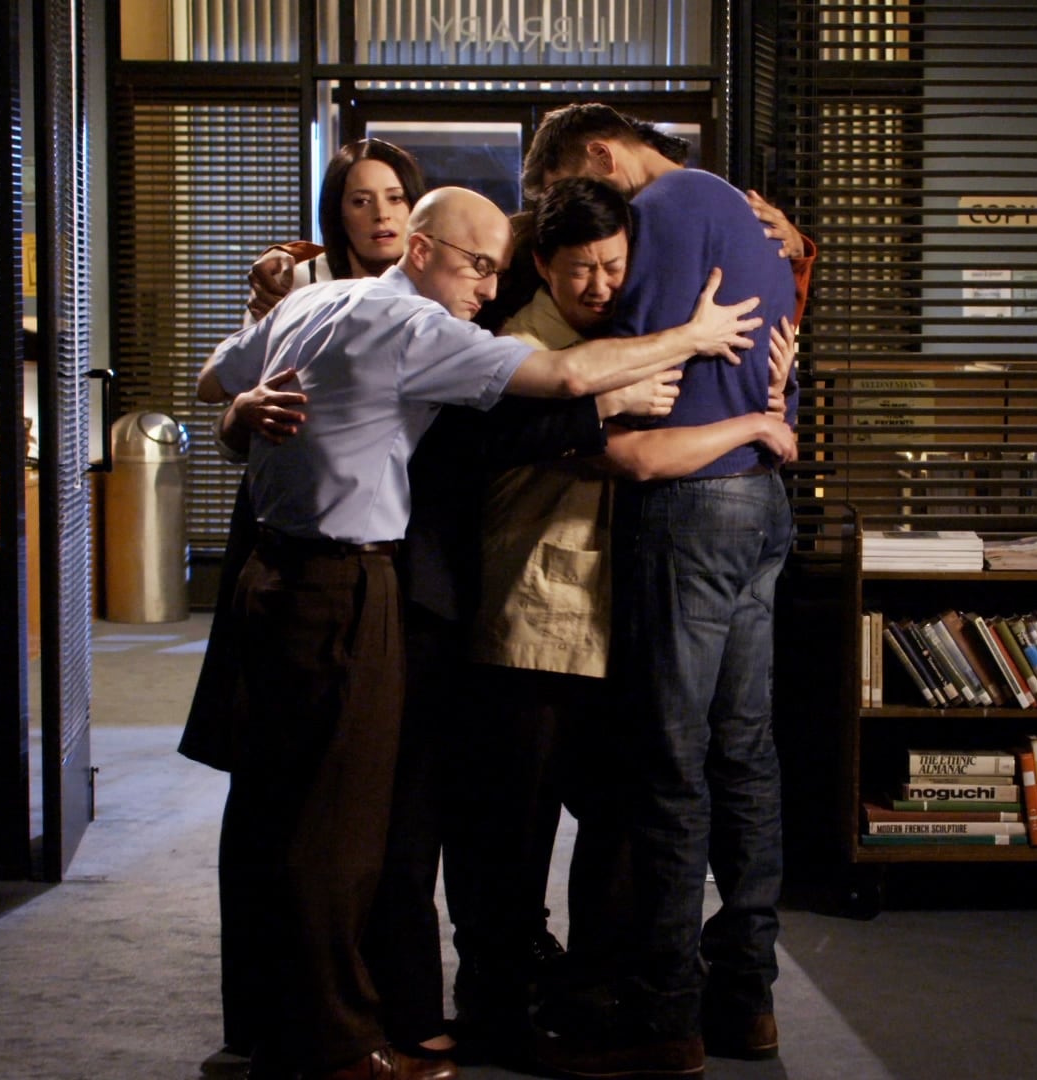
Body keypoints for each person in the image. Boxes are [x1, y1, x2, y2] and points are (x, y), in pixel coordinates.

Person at [196, 184, 763, 1080]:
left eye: (497, 269)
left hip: (290, 576)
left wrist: (239, 411)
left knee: (310, 820)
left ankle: (305, 1031)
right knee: (343, 833)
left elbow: (213, 380)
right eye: (478, 266)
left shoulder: (321, 300)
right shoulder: (414, 325)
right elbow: (564, 384)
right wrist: (695, 340)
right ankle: (335, 1043)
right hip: (350, 582)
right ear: (421, 250)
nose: (487, 287)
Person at [451, 176, 800, 1056]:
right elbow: (632, 457)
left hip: (614, 618)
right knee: (516, 828)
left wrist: (773, 379)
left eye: (615, 266)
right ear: (543, 265)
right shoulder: (524, 344)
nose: (601, 284)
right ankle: (501, 1005)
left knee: (625, 818)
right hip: (534, 617)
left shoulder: (628, 333)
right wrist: (745, 425)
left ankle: (603, 990)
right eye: (581, 269)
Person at [180, 136, 428, 1080]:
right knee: (273, 802)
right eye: (361, 199)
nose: (381, 213)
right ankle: (267, 1025)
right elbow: (224, 398)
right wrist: (238, 412)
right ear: (337, 212)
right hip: (290, 556)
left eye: (394, 196)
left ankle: (376, 1017)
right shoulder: (301, 291)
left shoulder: (437, 294)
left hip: (393, 563)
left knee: (374, 817)